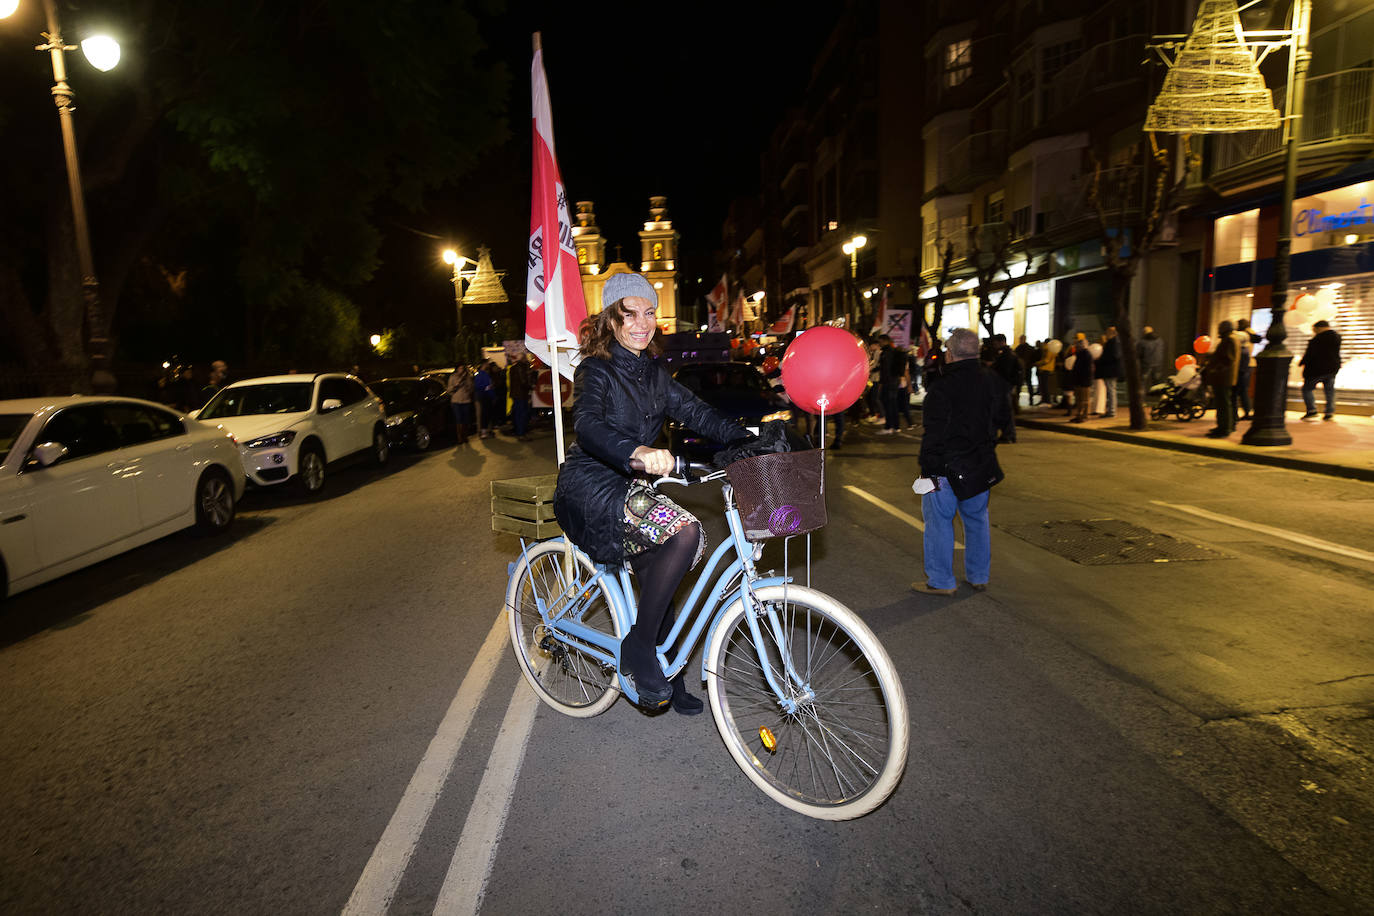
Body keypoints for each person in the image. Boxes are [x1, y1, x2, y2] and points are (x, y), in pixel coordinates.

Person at [553, 272, 749, 712]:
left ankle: (666, 671)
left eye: (649, 313)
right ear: (611, 320)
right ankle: (639, 649)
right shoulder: (595, 369)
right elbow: (587, 425)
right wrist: (638, 451)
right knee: (685, 533)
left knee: (659, 575)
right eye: (630, 314)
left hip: (631, 485)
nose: (642, 323)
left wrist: (745, 438)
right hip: (592, 484)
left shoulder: (655, 373)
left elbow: (695, 411)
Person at [912, 328, 1010, 596]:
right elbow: (1004, 421)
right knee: (977, 519)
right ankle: (979, 575)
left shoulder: (943, 386)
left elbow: (934, 431)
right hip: (980, 465)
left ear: (951, 353)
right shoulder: (993, 380)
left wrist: (927, 471)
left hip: (945, 466)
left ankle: (941, 581)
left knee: (939, 522)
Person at [1201, 319, 1239, 438]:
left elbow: (1227, 359)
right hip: (1225, 376)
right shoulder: (1232, 339)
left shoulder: (1229, 340)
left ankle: (1224, 427)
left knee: (1223, 403)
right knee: (1226, 402)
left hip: (1223, 377)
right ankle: (1226, 426)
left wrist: (1214, 368)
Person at [1299, 320, 1342, 421]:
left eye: (1314, 329)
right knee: (1329, 391)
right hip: (1332, 369)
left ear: (1319, 328)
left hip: (1316, 369)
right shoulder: (1337, 337)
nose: (1314, 331)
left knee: (1307, 389)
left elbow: (1310, 354)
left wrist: (1302, 362)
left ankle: (1311, 411)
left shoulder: (1317, 339)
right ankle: (1329, 412)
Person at [1232, 319, 1257, 421]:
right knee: (1243, 390)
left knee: (1236, 390)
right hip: (1249, 365)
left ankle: (1235, 414)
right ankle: (1246, 411)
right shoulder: (1250, 335)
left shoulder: (1242, 336)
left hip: (1241, 365)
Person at [508, 354, 534, 441]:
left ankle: (519, 431)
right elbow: (523, 381)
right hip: (521, 394)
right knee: (522, 414)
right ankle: (521, 433)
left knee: (517, 413)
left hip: (515, 394)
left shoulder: (513, 368)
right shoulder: (522, 368)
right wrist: (531, 387)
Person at [446, 365, 474, 446]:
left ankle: (465, 436)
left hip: (466, 401)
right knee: (459, 419)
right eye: (460, 368)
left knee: (465, 419)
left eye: (463, 368)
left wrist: (467, 385)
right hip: (456, 401)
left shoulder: (467, 377)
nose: (461, 370)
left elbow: (471, 388)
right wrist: (456, 385)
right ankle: (460, 438)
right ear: (457, 369)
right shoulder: (453, 377)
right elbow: (449, 390)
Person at [1096, 327, 1121, 418]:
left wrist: (1101, 359)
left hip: (1110, 370)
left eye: (1107, 332)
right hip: (1111, 370)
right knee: (1111, 391)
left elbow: (1114, 356)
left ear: (1112, 333)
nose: (1106, 333)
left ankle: (1112, 411)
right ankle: (1111, 410)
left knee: (1111, 391)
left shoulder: (1113, 342)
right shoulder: (1115, 342)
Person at [1068, 338, 1094, 423]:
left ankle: (1083, 415)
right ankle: (1079, 415)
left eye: (1077, 346)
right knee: (1079, 399)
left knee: (1084, 399)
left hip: (1084, 381)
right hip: (1080, 380)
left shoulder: (1086, 354)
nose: (1076, 347)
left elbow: (1086, 369)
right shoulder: (1081, 354)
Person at [1137, 326, 1165, 390]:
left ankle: (1141, 397)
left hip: (1146, 364)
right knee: (1157, 382)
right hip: (1158, 364)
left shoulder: (1142, 342)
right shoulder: (1159, 340)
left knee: (1142, 382)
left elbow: (1138, 353)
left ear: (1144, 332)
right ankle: (1157, 397)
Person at [1014, 334, 1037, 406]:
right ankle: (1030, 400)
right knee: (1026, 384)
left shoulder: (1020, 348)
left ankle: (1019, 401)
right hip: (1026, 368)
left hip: (1024, 369)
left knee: (1021, 385)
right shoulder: (1028, 348)